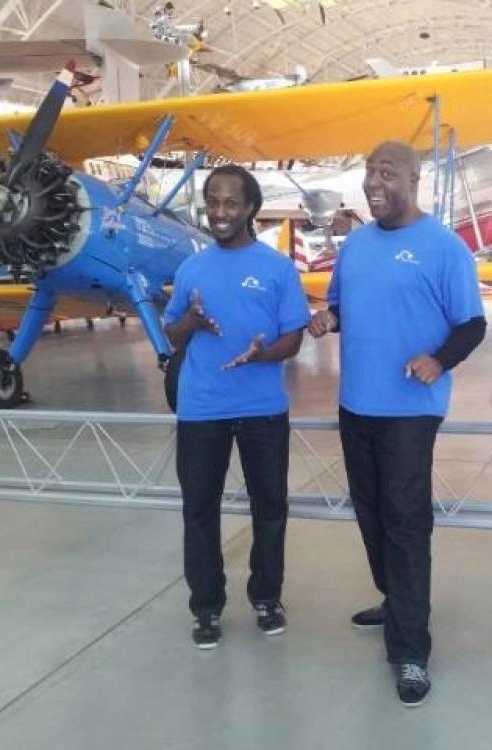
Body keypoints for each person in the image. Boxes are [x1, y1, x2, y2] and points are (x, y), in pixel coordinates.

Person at [308, 141, 486, 707]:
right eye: (368, 172)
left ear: (414, 178)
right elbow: (343, 308)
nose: (373, 182)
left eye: (387, 172)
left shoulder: (444, 248)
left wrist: (438, 360)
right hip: (356, 403)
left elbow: (471, 326)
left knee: (406, 524)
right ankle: (395, 598)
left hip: (411, 410)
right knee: (371, 514)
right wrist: (326, 318)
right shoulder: (356, 245)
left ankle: (410, 650)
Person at [163, 165, 310, 650]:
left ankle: (266, 597)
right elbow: (171, 333)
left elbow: (293, 337)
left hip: (263, 407)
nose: (220, 212)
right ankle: (206, 606)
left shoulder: (277, 269)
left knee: (270, 509)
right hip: (202, 408)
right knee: (199, 511)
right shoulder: (191, 270)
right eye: (213, 202)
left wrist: (265, 354)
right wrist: (193, 322)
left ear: (250, 209)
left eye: (230, 203)